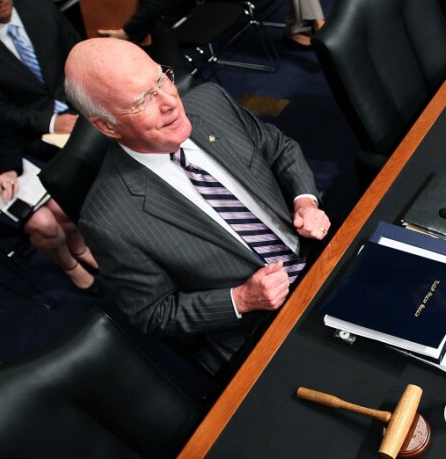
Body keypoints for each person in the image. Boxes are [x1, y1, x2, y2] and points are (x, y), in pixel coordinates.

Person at [64, 38, 331, 370]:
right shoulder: (108, 220)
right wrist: (242, 299)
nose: (170, 102)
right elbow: (153, 313)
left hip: (323, 253)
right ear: (106, 126)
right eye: (143, 100)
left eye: (160, 79)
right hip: (263, 326)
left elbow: (279, 149)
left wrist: (304, 201)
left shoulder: (210, 101)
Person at [0, 77, 98, 291]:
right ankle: (70, 266)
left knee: (60, 207)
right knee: (44, 223)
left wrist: (7, 168)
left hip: (3, 165)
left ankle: (79, 248)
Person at [0, 0, 80, 159]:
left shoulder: (42, 8)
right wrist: (50, 122)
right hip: (40, 134)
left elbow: (80, 56)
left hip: (83, 104)